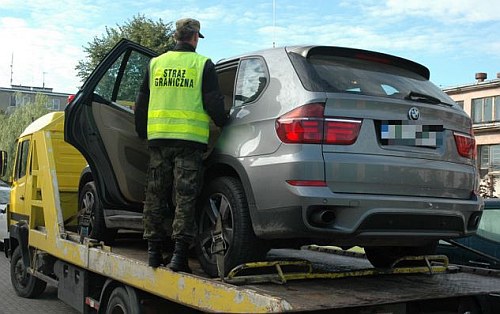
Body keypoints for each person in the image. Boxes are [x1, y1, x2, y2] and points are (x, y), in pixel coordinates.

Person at [134, 18, 227, 272]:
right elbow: (213, 103)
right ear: (195, 37)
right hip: (189, 143)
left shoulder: (156, 64)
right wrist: (225, 122)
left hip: (159, 140)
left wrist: (143, 132)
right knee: (185, 197)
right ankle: (178, 257)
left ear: (176, 36)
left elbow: (141, 102)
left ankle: (153, 254)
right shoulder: (202, 65)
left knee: (155, 195)